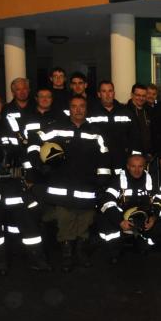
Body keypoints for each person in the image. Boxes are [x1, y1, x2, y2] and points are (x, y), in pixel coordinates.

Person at [0, 90, 49, 274]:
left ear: (2, 104)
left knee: (28, 224)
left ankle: (36, 259)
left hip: (15, 183)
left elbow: (24, 152)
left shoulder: (13, 123)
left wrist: (29, 174)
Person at [39, 96, 110, 271]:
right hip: (62, 186)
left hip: (87, 186)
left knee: (85, 219)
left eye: (82, 106)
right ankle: (67, 255)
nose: (78, 110)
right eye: (74, 106)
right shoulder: (56, 128)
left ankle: (81, 252)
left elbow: (104, 157)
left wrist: (101, 181)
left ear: (86, 109)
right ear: (69, 109)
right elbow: (36, 143)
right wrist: (42, 166)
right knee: (65, 219)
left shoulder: (95, 132)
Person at [97, 153, 158, 261]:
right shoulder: (117, 180)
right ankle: (114, 251)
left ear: (144, 166)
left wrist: (153, 218)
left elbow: (159, 200)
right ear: (128, 166)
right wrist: (119, 221)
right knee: (106, 221)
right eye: (133, 166)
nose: (137, 170)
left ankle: (143, 244)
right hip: (121, 217)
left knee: (160, 225)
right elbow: (107, 201)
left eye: (140, 166)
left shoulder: (152, 180)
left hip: (143, 216)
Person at [87, 80, 135, 175]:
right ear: (99, 94)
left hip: (121, 161)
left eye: (110, 91)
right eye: (104, 91)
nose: (107, 94)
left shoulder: (126, 112)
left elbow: (134, 137)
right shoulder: (90, 113)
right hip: (98, 161)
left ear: (114, 93)